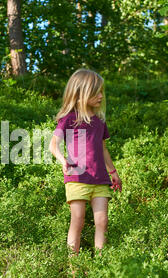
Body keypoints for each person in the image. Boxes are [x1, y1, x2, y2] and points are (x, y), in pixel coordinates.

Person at [49, 68, 122, 256]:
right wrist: (62, 159)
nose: (100, 96)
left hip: (100, 179)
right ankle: (73, 267)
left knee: (102, 222)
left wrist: (113, 172)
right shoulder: (68, 119)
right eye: (96, 92)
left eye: (101, 92)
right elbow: (53, 144)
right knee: (78, 221)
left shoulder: (99, 120)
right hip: (77, 178)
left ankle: (100, 264)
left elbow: (103, 148)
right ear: (81, 93)